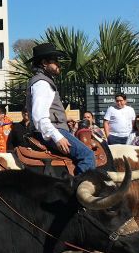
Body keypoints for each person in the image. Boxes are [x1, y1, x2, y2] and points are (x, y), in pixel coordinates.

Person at [24, 43, 95, 174]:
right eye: (55, 61)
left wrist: (64, 120)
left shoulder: (43, 81)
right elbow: (39, 117)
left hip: (53, 129)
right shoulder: (42, 83)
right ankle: (80, 191)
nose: (58, 64)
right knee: (88, 156)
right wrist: (57, 137)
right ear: (44, 63)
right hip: (50, 132)